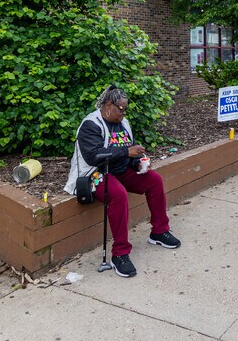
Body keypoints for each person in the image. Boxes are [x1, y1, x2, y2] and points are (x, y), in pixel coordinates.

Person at [64, 85, 180, 278]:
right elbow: (93, 156)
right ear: (109, 105)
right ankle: (120, 254)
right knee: (117, 194)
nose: (124, 113)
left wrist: (138, 163)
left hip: (121, 170)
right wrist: (127, 152)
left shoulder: (123, 123)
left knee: (154, 180)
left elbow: (129, 151)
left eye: (126, 109)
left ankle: (159, 231)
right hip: (94, 174)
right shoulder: (91, 124)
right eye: (121, 108)